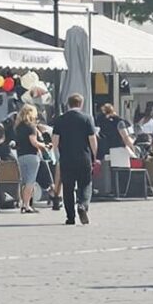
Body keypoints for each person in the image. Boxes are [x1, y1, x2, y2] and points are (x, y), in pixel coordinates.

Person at [51, 94, 97, 225]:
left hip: (66, 158)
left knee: (68, 188)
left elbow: (55, 140)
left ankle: (70, 217)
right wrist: (94, 155)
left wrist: (57, 154)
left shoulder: (60, 119)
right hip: (84, 157)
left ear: (68, 104)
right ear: (81, 104)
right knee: (85, 184)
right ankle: (83, 205)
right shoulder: (87, 118)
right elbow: (92, 140)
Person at [9, 105, 48, 213]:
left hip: (21, 155)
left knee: (24, 181)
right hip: (32, 155)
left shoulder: (18, 127)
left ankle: (23, 203)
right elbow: (34, 142)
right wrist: (43, 146)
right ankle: (26, 205)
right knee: (31, 181)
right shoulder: (31, 127)